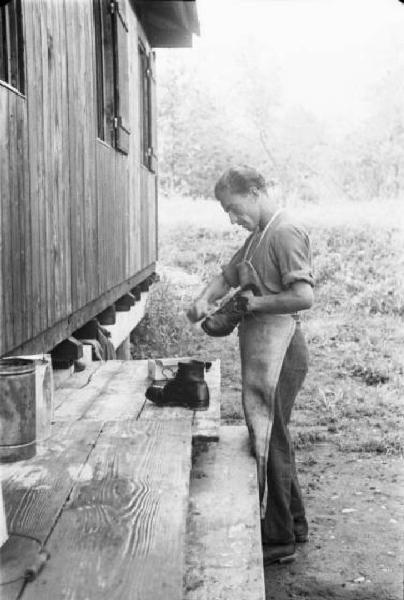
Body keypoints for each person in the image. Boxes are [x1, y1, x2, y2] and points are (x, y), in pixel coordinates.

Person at [186, 166, 314, 565]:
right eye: (226, 212)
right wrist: (203, 300)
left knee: (269, 437)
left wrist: (254, 304)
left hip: (283, 351)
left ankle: (278, 539)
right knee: (272, 435)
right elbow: (227, 276)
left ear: (256, 192)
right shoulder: (258, 236)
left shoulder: (284, 232)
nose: (232, 218)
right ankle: (292, 523)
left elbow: (303, 296)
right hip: (264, 351)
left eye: (234, 208)